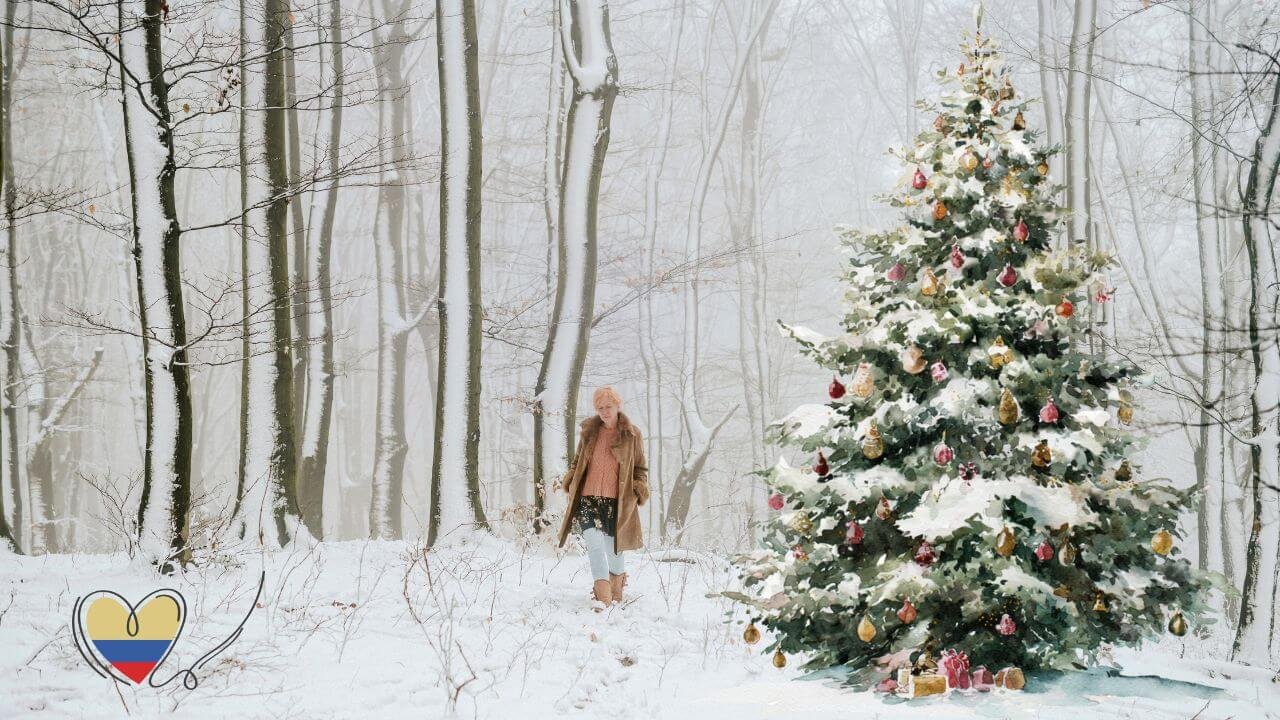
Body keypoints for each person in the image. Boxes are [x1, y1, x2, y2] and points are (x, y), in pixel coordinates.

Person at [556, 386, 650, 611]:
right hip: (588, 499)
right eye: (600, 408)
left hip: (615, 503)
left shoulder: (632, 434)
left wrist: (638, 488)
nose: (604, 411)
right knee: (594, 545)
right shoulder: (589, 432)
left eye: (608, 407)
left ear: (618, 405)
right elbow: (577, 460)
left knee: (613, 549)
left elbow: (639, 468)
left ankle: (616, 591)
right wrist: (571, 479)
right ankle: (602, 598)